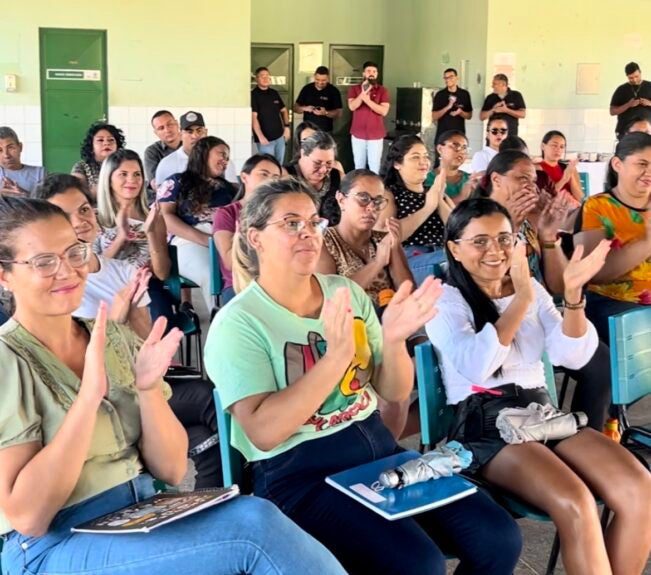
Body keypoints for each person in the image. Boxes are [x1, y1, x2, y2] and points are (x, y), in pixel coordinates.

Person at [0, 195, 347, 575]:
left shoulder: (113, 338)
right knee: (252, 532)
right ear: (5, 274)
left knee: (254, 514)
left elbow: (169, 468)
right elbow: (28, 516)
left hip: (142, 513)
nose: (67, 271)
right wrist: (87, 400)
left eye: (74, 253)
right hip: (53, 544)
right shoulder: (9, 358)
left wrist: (148, 391)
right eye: (44, 262)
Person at [205, 178, 522, 575]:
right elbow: (265, 432)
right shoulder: (239, 322)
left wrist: (393, 340)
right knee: (417, 564)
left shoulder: (345, 293)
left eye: (312, 222)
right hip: (299, 474)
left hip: (377, 451)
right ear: (255, 238)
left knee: (499, 537)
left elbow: (393, 389)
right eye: (290, 223)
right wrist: (334, 359)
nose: (307, 233)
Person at [427, 197, 651, 575]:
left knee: (639, 487)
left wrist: (575, 294)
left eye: (503, 239)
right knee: (575, 501)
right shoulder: (444, 299)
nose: (494, 251)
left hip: (543, 414)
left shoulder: (529, 288)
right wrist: (520, 299)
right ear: (454, 248)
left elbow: (574, 356)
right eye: (479, 241)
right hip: (486, 425)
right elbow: (478, 367)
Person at [472, 151, 613, 430]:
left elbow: (557, 287)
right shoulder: (474, 218)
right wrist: (507, 226)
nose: (530, 187)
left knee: (601, 361)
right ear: (496, 179)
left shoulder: (528, 222)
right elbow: (486, 281)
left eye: (533, 180)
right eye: (522, 178)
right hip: (498, 323)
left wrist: (549, 238)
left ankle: (585, 434)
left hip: (538, 315)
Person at [33, 173, 152, 340]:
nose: (79, 221)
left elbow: (146, 344)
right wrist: (116, 319)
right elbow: (65, 360)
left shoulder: (125, 272)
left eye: (84, 210)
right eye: (64, 216)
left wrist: (132, 310)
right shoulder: (50, 284)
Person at [574, 132, 651, 342]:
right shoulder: (598, 207)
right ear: (618, 164)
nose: (649, 172)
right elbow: (593, 273)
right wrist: (647, 242)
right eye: (642, 164)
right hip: (611, 304)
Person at [158, 136, 236, 311]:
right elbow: (165, 217)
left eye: (228, 157)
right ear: (204, 153)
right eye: (221, 154)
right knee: (210, 274)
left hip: (224, 241)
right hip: (187, 242)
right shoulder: (177, 181)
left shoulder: (230, 189)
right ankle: (220, 323)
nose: (225, 161)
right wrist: (206, 240)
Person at [317, 169, 412, 311]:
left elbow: (409, 295)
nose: (371, 207)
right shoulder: (323, 241)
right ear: (342, 200)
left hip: (388, 321)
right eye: (363, 198)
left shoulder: (382, 241)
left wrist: (395, 247)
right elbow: (330, 299)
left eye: (378, 201)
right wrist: (377, 264)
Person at [379, 135, 453, 286]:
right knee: (458, 260)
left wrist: (438, 199)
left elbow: (460, 229)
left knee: (467, 256)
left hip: (443, 252)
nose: (423, 162)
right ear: (397, 164)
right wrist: (428, 207)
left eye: (426, 156)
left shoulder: (435, 192)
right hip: (410, 258)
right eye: (415, 157)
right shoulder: (389, 193)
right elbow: (386, 236)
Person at [213, 153, 282, 304]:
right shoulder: (227, 213)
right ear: (244, 177)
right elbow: (230, 262)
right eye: (263, 174)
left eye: (276, 178)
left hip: (277, 282)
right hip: (240, 284)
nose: (270, 181)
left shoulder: (280, 213)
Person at [285, 131, 342, 225]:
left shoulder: (338, 177)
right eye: (317, 163)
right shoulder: (285, 176)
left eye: (329, 163)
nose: (323, 170)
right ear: (303, 153)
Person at [347, 61, 390, 173]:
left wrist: (368, 101)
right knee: (359, 166)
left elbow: (384, 111)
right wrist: (363, 94)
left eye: (374, 71)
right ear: (363, 73)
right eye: (369, 71)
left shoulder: (383, 90)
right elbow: (352, 106)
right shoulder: (354, 89)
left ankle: (375, 190)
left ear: (377, 74)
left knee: (374, 167)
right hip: (358, 135)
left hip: (375, 135)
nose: (371, 73)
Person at [71, 122, 125, 199]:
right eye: (100, 140)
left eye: (111, 140)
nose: (106, 143)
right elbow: (76, 193)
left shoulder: (123, 165)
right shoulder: (81, 167)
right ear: (91, 146)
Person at [155, 111, 207, 187]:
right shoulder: (166, 164)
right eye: (189, 132)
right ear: (181, 135)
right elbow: (161, 196)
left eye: (199, 131)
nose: (195, 136)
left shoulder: (220, 161)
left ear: (206, 133)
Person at [251, 67, 290, 163]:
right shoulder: (254, 95)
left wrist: (287, 128)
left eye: (267, 76)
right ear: (257, 79)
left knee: (279, 165)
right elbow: (253, 118)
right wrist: (260, 136)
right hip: (265, 140)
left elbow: (284, 110)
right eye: (262, 76)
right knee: (268, 166)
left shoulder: (274, 93)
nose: (265, 78)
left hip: (280, 137)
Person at [429, 130, 476, 205]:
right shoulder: (425, 180)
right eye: (455, 146)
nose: (461, 151)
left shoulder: (470, 180)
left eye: (464, 148)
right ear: (440, 149)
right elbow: (432, 209)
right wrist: (461, 197)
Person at [536, 131, 583, 204]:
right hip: (552, 212)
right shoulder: (537, 168)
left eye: (561, 147)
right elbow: (544, 200)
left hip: (572, 210)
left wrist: (570, 176)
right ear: (543, 146)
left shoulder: (568, 168)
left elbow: (580, 198)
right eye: (554, 145)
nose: (558, 150)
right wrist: (564, 179)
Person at [294, 66, 343, 133]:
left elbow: (339, 113)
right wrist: (304, 108)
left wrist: (326, 113)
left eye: (323, 80)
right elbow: (295, 108)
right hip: (307, 131)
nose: (320, 82)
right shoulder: (306, 89)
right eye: (317, 79)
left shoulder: (333, 91)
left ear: (328, 78)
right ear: (314, 77)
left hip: (325, 132)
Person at [431, 68, 473, 144]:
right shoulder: (440, 95)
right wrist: (448, 107)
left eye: (451, 77)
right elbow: (434, 116)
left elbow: (469, 116)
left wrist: (461, 112)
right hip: (443, 137)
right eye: (446, 78)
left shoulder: (464, 94)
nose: (448, 80)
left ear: (457, 78)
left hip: (459, 136)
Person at [609, 62, 651, 139]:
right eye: (631, 78)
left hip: (648, 132)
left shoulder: (649, 86)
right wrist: (628, 105)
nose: (634, 80)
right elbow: (612, 111)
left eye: (636, 76)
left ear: (640, 72)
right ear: (627, 76)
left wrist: (649, 103)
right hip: (626, 132)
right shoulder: (621, 90)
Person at [0, 126, 46, 194]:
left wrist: (24, 195)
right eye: (0, 150)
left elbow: (48, 203)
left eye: (11, 148)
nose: (6, 155)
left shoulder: (39, 173)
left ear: (20, 147)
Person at [144, 110, 181, 192]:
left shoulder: (191, 146)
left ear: (177, 124)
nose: (167, 130)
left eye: (170, 124)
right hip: (166, 198)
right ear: (156, 133)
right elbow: (155, 183)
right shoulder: (152, 152)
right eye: (161, 128)